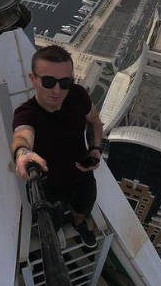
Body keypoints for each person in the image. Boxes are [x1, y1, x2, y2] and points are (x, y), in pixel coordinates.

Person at [11, 45, 103, 248]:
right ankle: (57, 228)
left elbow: (94, 121)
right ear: (33, 79)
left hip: (82, 176)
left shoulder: (78, 95)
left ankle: (79, 224)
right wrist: (22, 153)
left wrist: (95, 149)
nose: (57, 90)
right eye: (48, 81)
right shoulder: (28, 113)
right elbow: (22, 135)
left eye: (65, 82)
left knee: (83, 210)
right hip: (48, 187)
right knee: (52, 221)